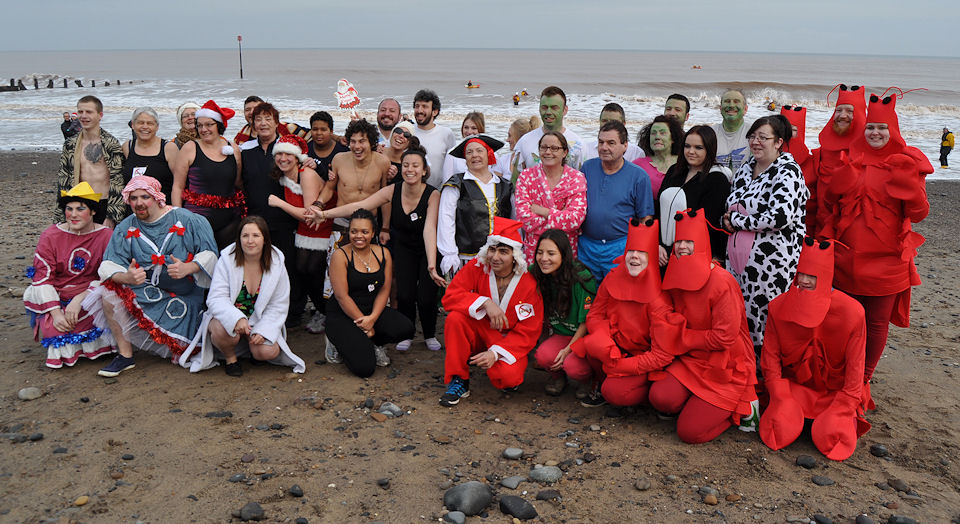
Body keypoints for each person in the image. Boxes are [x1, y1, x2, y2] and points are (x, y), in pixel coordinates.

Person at [818, 92, 931, 385]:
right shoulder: (850, 158)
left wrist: (911, 188)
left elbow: (919, 214)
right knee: (845, 320)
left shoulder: (907, 162)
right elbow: (832, 205)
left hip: (887, 263)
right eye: (870, 127)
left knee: (876, 323)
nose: (875, 133)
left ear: (893, 131)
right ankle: (845, 372)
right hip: (847, 260)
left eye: (882, 128)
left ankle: (863, 379)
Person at [312, 145, 445, 352]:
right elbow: (360, 205)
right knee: (405, 294)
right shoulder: (393, 190)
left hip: (428, 248)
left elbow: (430, 229)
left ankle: (429, 334)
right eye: (406, 165)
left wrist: (431, 264)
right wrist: (323, 214)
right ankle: (407, 335)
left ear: (424, 170)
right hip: (403, 248)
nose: (410, 170)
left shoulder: (433, 194)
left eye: (415, 166)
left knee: (426, 297)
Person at [84, 176, 218, 377]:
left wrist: (188, 268)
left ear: (157, 197)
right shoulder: (125, 227)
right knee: (107, 293)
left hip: (187, 294)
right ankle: (125, 356)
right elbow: (109, 265)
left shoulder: (188, 219)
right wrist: (127, 277)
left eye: (145, 197)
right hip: (149, 290)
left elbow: (211, 255)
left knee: (188, 352)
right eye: (133, 198)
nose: (139, 203)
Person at [649, 209, 758, 443]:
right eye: (679, 241)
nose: (682, 247)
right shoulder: (674, 272)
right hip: (691, 359)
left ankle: (735, 411)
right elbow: (666, 314)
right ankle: (695, 402)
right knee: (660, 397)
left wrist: (680, 335)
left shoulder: (722, 282)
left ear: (700, 243)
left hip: (724, 365)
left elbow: (724, 338)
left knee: (689, 433)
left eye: (689, 242)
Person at [759, 237, 870, 461]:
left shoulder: (853, 312)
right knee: (781, 423)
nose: (805, 281)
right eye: (801, 274)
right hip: (795, 389)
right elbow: (770, 359)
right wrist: (779, 396)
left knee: (831, 433)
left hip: (834, 393)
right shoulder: (777, 307)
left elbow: (856, 369)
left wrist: (844, 406)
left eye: (813, 276)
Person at [723, 115, 808, 358]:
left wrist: (736, 221)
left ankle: (765, 370)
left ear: (779, 142)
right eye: (752, 136)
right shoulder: (744, 169)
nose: (755, 142)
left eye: (763, 137)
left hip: (771, 261)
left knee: (764, 318)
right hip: (738, 259)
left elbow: (779, 217)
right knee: (737, 312)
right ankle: (742, 364)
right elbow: (731, 207)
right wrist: (726, 220)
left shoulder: (788, 172)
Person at [439, 217, 543, 406]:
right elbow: (450, 297)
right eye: (492, 249)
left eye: (503, 251)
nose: (495, 257)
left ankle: (498, 362)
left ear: (515, 256)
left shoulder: (528, 284)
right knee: (455, 318)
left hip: (509, 340)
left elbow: (529, 330)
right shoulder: (477, 267)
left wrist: (495, 354)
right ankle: (458, 378)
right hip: (481, 331)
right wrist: (484, 302)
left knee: (508, 378)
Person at [572, 218, 673, 408]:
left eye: (641, 252)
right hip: (614, 349)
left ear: (651, 257)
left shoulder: (659, 301)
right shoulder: (612, 278)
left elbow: (662, 355)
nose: (634, 256)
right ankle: (602, 381)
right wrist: (604, 341)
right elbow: (594, 315)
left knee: (615, 393)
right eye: (630, 251)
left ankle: (641, 393)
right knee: (583, 355)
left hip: (640, 358)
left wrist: (622, 366)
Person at [185, 216, 305, 375]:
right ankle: (231, 359)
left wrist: (264, 330)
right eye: (245, 236)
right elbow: (216, 298)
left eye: (256, 235)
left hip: (258, 321)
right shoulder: (227, 260)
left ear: (265, 239)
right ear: (239, 239)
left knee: (268, 352)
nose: (250, 241)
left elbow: (278, 304)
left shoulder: (276, 263)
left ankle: (253, 351)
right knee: (222, 330)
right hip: (227, 320)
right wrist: (235, 318)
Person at [24, 182, 115, 368]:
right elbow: (42, 278)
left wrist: (80, 299)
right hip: (59, 295)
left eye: (80, 209)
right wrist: (56, 313)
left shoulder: (106, 235)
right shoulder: (50, 236)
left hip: (92, 294)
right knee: (57, 328)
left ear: (93, 211)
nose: (73, 214)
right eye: (69, 209)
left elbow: (109, 276)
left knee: (107, 303)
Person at [238, 102, 305, 327]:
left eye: (268, 118)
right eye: (258, 119)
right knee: (257, 267)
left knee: (288, 265)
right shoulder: (245, 151)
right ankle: (259, 310)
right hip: (255, 220)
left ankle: (294, 312)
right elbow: (239, 181)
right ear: (252, 124)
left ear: (277, 122)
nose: (263, 123)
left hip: (284, 219)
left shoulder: (286, 148)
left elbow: (305, 167)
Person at [325, 209, 415, 376]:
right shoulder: (340, 255)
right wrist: (365, 324)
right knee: (365, 369)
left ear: (373, 233)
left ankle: (374, 343)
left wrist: (372, 319)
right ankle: (336, 342)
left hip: (371, 310)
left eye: (365, 232)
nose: (359, 236)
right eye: (354, 231)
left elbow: (385, 289)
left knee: (405, 328)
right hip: (344, 313)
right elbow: (341, 296)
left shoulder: (383, 253)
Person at [265, 135, 328, 336]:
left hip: (321, 225)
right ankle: (319, 307)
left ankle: (325, 311)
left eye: (288, 154)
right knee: (301, 269)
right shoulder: (284, 176)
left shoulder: (306, 174)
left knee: (314, 269)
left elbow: (309, 215)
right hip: (304, 229)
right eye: (279, 154)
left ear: (297, 157)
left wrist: (279, 203)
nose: (283, 158)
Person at [578, 121, 654, 281]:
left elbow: (645, 219)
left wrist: (638, 251)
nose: (604, 147)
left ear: (625, 146)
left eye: (611, 143)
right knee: (586, 292)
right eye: (601, 142)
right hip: (586, 246)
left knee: (616, 292)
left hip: (620, 246)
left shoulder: (639, 176)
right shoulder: (587, 168)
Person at [529, 230, 597, 397]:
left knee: (573, 366)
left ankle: (588, 381)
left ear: (564, 254)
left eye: (551, 253)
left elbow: (586, 322)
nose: (544, 258)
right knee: (543, 356)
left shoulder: (581, 277)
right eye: (540, 252)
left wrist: (567, 350)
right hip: (561, 334)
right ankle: (558, 378)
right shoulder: (535, 273)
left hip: (583, 336)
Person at [172, 100, 244, 250]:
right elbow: (178, 187)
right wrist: (178, 219)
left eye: (209, 124)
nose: (203, 129)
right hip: (196, 221)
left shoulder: (233, 149)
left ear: (219, 125)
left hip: (229, 221)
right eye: (199, 125)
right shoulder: (190, 148)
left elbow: (238, 183)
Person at [437, 134, 512, 275]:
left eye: (479, 151)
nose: (474, 155)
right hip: (468, 256)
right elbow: (446, 219)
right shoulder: (456, 184)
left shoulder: (505, 186)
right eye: (469, 152)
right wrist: (449, 253)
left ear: (489, 154)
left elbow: (513, 221)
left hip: (500, 257)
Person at [657, 125, 731, 265]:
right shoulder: (674, 171)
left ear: (709, 149)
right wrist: (657, 244)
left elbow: (708, 224)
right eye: (687, 146)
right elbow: (658, 210)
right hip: (662, 252)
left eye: (698, 147)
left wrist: (678, 249)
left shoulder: (717, 179)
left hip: (693, 254)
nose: (691, 151)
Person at [515, 131, 587, 262]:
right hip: (535, 249)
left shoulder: (576, 178)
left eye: (554, 148)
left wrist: (544, 212)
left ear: (564, 152)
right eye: (544, 147)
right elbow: (524, 219)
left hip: (565, 247)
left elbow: (575, 219)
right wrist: (561, 216)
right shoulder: (526, 177)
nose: (548, 152)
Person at [56, 95, 125, 227]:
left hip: (103, 203)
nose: (83, 116)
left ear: (100, 115)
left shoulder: (110, 143)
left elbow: (117, 180)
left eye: (89, 112)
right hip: (80, 203)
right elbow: (63, 178)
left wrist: (112, 216)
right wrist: (61, 214)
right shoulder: (70, 144)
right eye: (80, 112)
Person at [808, 84, 866, 236]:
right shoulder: (823, 150)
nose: (842, 115)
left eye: (850, 111)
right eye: (838, 110)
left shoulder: (868, 148)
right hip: (823, 220)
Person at [514, 86, 586, 171]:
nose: (548, 112)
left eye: (554, 108)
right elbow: (516, 177)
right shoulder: (524, 142)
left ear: (565, 110)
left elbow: (582, 177)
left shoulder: (578, 145)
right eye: (544, 107)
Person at [122, 107, 179, 204]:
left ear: (157, 127)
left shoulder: (168, 148)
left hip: (162, 208)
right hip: (134, 208)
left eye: (150, 123)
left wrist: (177, 209)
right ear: (133, 125)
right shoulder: (127, 147)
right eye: (140, 123)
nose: (145, 127)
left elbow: (179, 183)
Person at [779, 105, 816, 228]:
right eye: (784, 128)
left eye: (793, 129)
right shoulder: (765, 159)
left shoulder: (812, 163)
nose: (788, 133)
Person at [411, 89, 456, 187]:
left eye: (425, 106)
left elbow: (453, 165)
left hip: (438, 190)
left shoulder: (446, 133)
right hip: (410, 190)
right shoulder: (408, 131)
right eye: (417, 106)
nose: (419, 111)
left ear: (434, 112)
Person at [634, 115, 683, 197]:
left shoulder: (683, 163)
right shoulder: (638, 165)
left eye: (662, 133)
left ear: (673, 138)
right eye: (653, 133)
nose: (657, 137)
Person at [233, 95, 309, 146]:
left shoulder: (286, 128)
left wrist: (305, 158)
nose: (252, 112)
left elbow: (311, 135)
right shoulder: (240, 137)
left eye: (256, 109)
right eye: (247, 109)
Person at [710, 89, 751, 172]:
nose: (731, 105)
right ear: (720, 108)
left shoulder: (753, 133)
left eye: (736, 101)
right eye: (727, 101)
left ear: (745, 109)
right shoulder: (711, 133)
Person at [441, 112, 487, 184]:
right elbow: (447, 180)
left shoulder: (490, 152)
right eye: (466, 127)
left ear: (481, 130)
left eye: (474, 128)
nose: (469, 131)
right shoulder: (452, 153)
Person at [496, 116, 541, 184]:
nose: (507, 140)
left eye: (510, 136)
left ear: (521, 138)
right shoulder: (503, 161)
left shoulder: (536, 161)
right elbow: (496, 187)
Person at [306, 111, 349, 181]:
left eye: (323, 130)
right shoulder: (305, 150)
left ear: (331, 131)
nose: (319, 133)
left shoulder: (343, 151)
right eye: (315, 129)